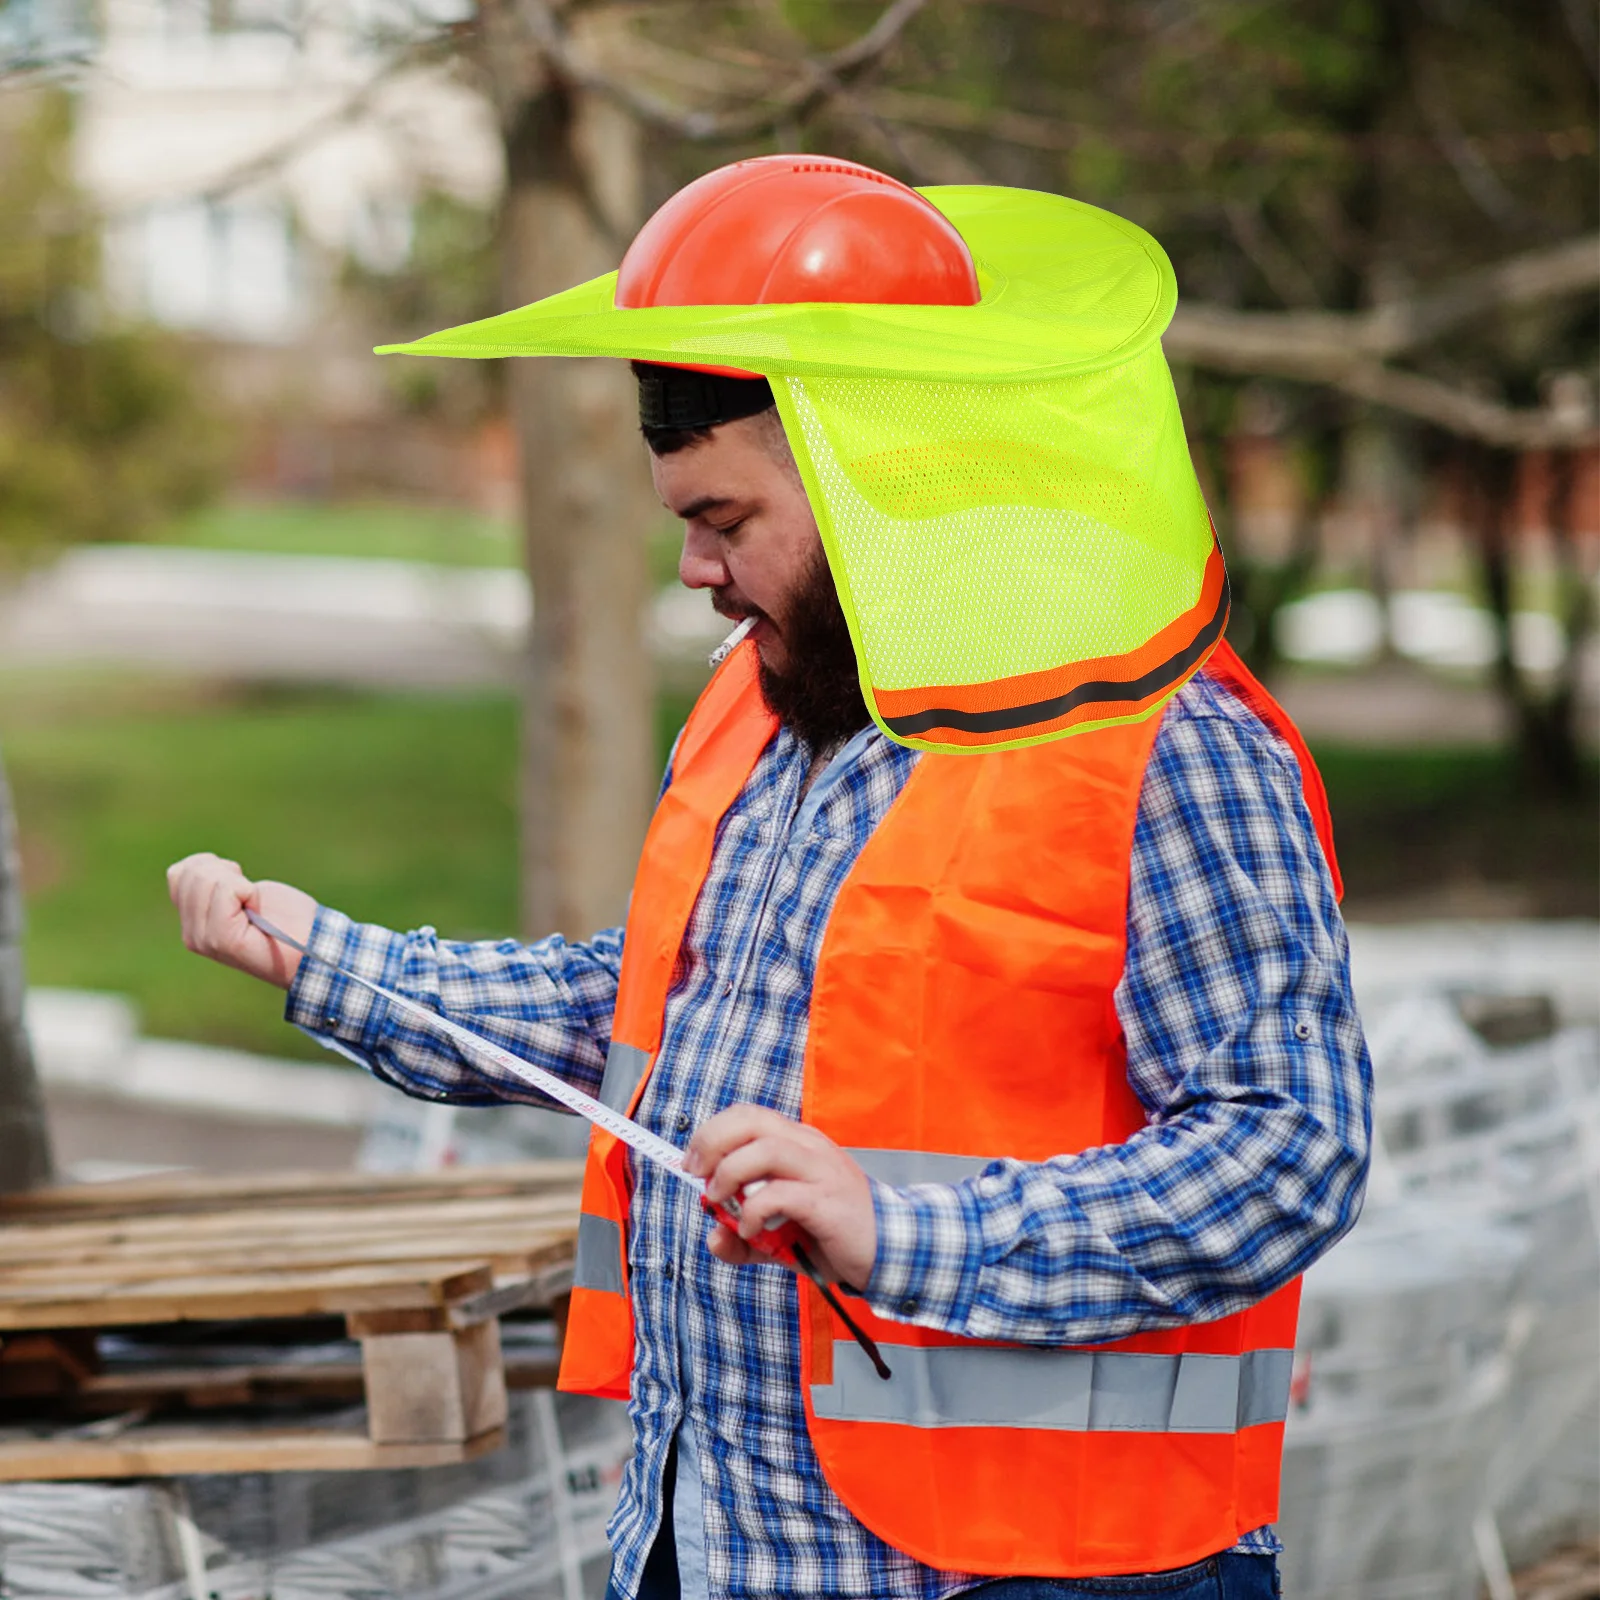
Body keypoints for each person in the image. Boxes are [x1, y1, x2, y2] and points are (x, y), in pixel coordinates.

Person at [168, 157, 1371, 1600]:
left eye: (724, 521)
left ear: (879, 480)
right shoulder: (764, 701)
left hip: (1045, 1569)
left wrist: (911, 1233)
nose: (692, 571)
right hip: (721, 1543)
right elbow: (665, 1009)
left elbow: (1291, 1146)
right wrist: (330, 962)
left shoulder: (1170, 745)